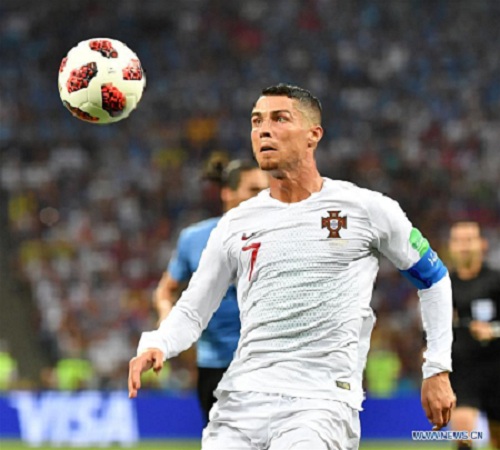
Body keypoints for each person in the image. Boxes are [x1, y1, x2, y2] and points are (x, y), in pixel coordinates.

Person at [129, 84, 456, 450]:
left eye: (279, 118)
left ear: (313, 135)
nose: (263, 130)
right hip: (241, 400)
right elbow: (193, 309)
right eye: (256, 121)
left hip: (320, 403)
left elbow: (434, 279)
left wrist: (437, 367)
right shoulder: (235, 224)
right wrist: (157, 343)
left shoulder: (366, 209)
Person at [153, 158, 269, 424]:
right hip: (215, 366)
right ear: (227, 193)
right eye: (253, 191)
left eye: (266, 191)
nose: (262, 198)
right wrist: (166, 320)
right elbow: (165, 290)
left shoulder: (281, 238)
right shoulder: (194, 239)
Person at [448, 221, 500, 450]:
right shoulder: (442, 285)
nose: (464, 246)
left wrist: (494, 330)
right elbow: (428, 328)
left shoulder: (496, 280)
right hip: (463, 370)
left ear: (482, 244)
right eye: (458, 240)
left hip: (496, 370)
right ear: (451, 246)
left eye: (469, 239)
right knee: (463, 432)